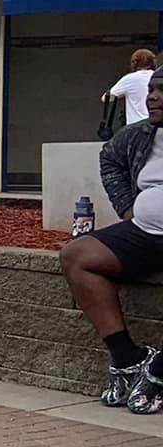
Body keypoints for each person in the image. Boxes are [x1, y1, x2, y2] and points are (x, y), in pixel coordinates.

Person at [61, 64, 163, 411]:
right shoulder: (140, 135)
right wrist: (126, 207)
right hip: (145, 232)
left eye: (161, 91)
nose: (152, 97)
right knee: (77, 256)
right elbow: (109, 159)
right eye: (151, 90)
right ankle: (127, 358)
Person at [103, 49, 159, 128]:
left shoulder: (129, 79)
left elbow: (106, 98)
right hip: (157, 126)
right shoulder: (158, 77)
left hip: (135, 127)